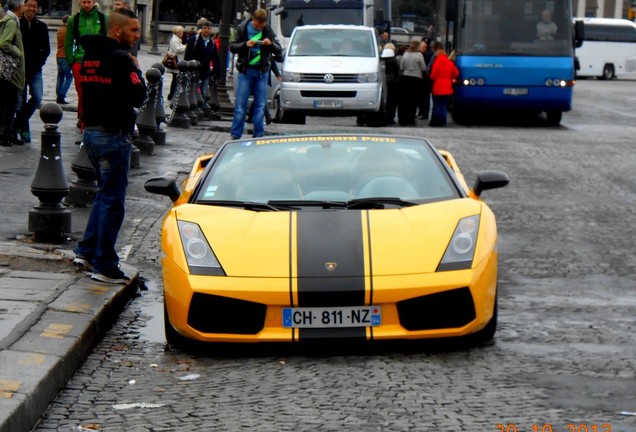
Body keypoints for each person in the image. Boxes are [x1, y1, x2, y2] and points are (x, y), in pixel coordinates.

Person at [72, 9, 147, 284]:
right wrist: (136, 69)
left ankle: (86, 250)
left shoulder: (91, 55)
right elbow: (139, 94)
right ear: (117, 31)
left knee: (103, 195)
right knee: (113, 202)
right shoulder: (121, 59)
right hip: (113, 135)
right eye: (134, 30)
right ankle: (105, 264)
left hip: (90, 133)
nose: (137, 35)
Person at [230, 8, 282, 139]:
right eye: (257, 26)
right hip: (246, 71)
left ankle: (258, 134)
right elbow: (233, 47)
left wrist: (270, 44)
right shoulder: (242, 28)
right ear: (253, 20)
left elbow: (278, 50)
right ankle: (236, 135)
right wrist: (245, 44)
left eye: (262, 26)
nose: (259, 28)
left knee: (261, 105)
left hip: (262, 72)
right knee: (241, 106)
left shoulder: (267, 30)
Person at [65, 0, 107, 130]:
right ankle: (84, 124)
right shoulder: (74, 20)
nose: (86, 5)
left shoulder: (103, 18)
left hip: (98, 60)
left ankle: (93, 120)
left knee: (97, 92)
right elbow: (69, 41)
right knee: (82, 94)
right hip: (80, 60)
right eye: (84, 2)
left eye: (89, 2)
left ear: (94, 2)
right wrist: (71, 61)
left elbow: (108, 38)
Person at [15, 0, 50, 144]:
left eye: (34, 6)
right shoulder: (17, 24)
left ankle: (15, 125)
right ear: (23, 7)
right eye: (29, 5)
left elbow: (46, 49)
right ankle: (25, 131)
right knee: (20, 102)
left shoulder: (41, 26)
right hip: (19, 69)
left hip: (35, 69)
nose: (31, 9)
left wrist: (40, 62)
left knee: (37, 97)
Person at [0, 0, 25, 147]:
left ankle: (7, 133)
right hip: (10, 70)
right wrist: (19, 53)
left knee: (7, 102)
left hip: (7, 70)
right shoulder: (12, 22)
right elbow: (4, 43)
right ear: (20, 7)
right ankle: (5, 135)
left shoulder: (9, 19)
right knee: (9, 102)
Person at [184, 19, 220, 110]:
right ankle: (191, 107)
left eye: (209, 28)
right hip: (194, 70)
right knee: (192, 89)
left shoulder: (211, 42)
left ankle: (200, 108)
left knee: (203, 91)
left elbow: (215, 57)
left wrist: (217, 71)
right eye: (205, 28)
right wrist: (187, 66)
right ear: (202, 29)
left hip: (205, 71)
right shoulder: (194, 40)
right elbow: (188, 54)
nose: (207, 30)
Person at [428, 41, 458, 127]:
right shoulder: (450, 63)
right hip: (447, 88)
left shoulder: (436, 64)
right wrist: (450, 77)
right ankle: (442, 122)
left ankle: (436, 121)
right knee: (444, 106)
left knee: (437, 105)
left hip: (437, 88)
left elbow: (432, 76)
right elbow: (456, 74)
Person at [397, 40, 426, 126]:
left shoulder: (405, 55)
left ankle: (403, 119)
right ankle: (411, 119)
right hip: (416, 79)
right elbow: (423, 68)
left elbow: (401, 67)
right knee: (413, 100)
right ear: (417, 47)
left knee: (404, 100)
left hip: (405, 78)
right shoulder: (419, 55)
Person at [55, 14, 73, 104]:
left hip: (59, 55)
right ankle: (61, 95)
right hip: (65, 56)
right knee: (69, 77)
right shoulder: (67, 31)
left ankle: (58, 94)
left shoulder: (60, 30)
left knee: (60, 77)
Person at [166, 25, 186, 101]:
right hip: (175, 61)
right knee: (175, 79)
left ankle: (173, 94)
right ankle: (171, 94)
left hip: (177, 60)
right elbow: (177, 49)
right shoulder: (174, 40)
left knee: (175, 78)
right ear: (178, 32)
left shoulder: (177, 39)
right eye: (181, 32)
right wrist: (186, 46)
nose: (182, 34)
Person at [382, 42, 399, 125]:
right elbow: (397, 71)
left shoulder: (382, 59)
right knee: (392, 102)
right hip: (392, 82)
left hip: (384, 81)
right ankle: (390, 118)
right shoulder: (394, 60)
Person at [417, 38, 434, 120]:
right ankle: (422, 112)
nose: (424, 48)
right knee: (421, 97)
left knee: (425, 97)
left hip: (425, 79)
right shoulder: (425, 54)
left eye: (424, 47)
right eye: (422, 47)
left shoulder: (428, 54)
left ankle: (424, 113)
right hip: (423, 78)